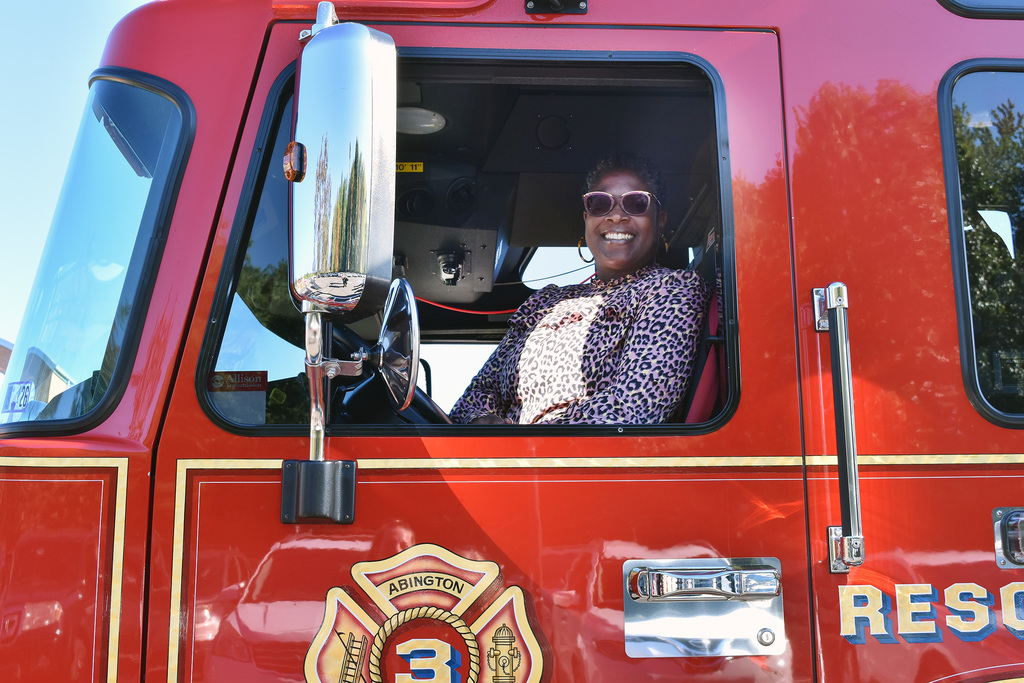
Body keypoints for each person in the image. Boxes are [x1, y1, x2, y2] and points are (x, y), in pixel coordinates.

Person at [449, 155, 709, 425]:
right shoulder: (547, 301)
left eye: (635, 203)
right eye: (600, 203)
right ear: (587, 219)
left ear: (660, 220)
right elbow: (474, 398)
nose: (616, 215)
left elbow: (632, 411)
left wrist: (522, 439)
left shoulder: (671, 291)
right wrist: (483, 423)